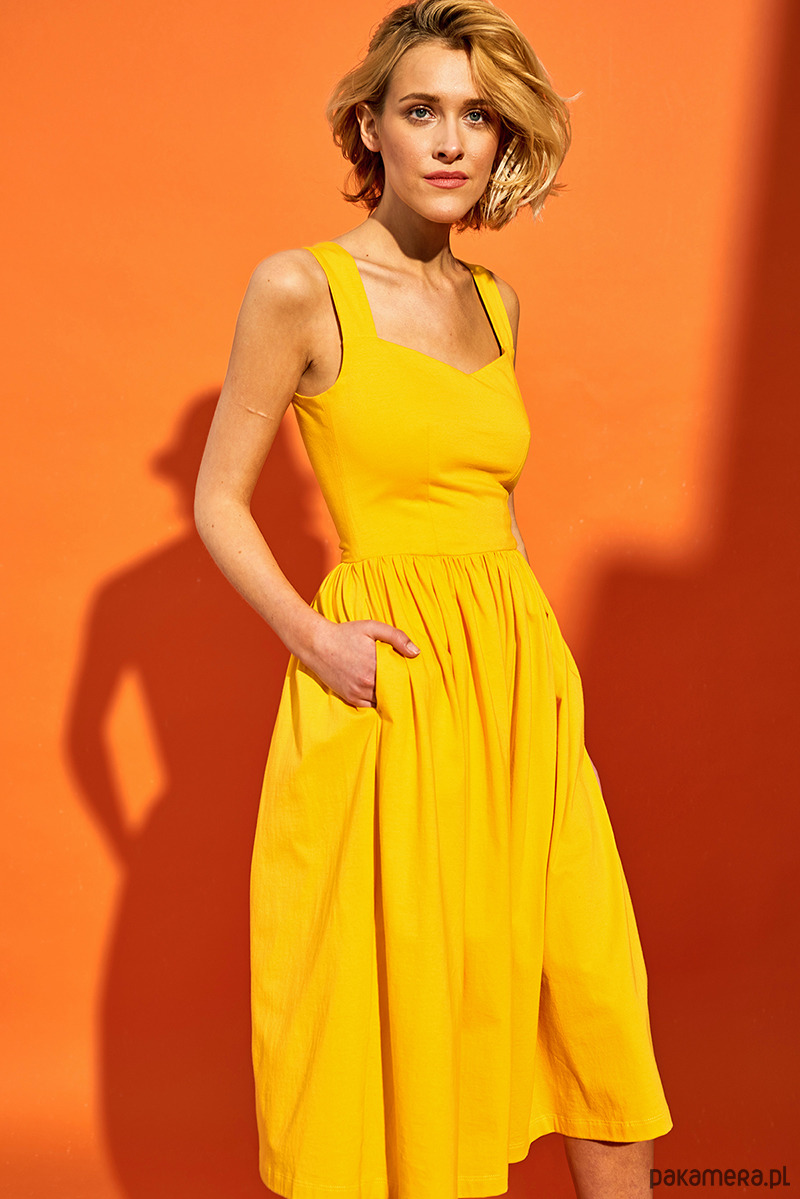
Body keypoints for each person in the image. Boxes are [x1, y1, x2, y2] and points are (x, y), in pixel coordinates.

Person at [194, 1, 673, 1195]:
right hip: (393, 693)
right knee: (409, 1027)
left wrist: (544, 668)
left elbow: (492, 507)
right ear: (371, 127)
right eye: (421, 110)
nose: (451, 140)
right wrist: (314, 639)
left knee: (593, 1008)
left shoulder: (495, 301)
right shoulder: (299, 289)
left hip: (518, 690)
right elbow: (217, 499)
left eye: (476, 114)